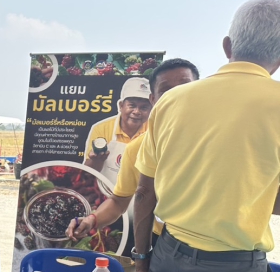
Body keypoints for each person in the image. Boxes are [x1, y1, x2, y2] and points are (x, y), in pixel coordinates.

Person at [131, 0, 280, 272]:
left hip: (169, 257)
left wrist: (141, 262)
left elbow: (144, 192)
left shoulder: (171, 101)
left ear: (228, 46)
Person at [66, 59, 200, 241]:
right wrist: (91, 220)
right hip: (157, 237)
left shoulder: (213, 137)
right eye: (166, 91)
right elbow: (119, 200)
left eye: (184, 87)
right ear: (155, 99)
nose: (176, 96)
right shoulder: (137, 146)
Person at [83, 76, 153, 188]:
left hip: (138, 193)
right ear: (121, 106)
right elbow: (87, 174)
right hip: (103, 192)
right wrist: (96, 160)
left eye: (144, 108)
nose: (137, 112)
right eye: (132, 105)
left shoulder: (154, 132)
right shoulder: (101, 128)